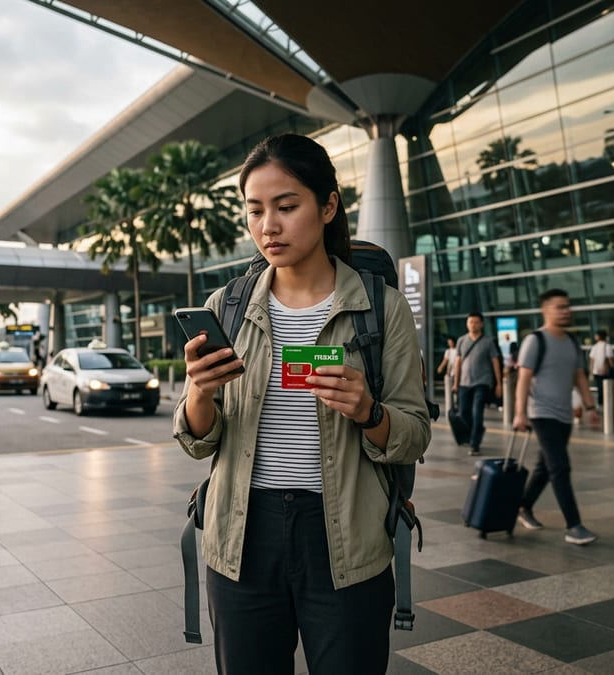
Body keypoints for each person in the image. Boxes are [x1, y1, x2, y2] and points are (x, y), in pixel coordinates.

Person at [173, 134, 431, 675]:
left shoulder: (380, 310)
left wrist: (369, 412)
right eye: (255, 210)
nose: (269, 225)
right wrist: (199, 392)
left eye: (287, 206)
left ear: (328, 204)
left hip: (344, 537)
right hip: (243, 533)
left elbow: (414, 433)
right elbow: (200, 441)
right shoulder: (229, 305)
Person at [514, 289, 598, 546]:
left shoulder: (572, 342)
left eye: (567, 306)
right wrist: (520, 413)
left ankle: (523, 506)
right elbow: (524, 378)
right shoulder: (535, 340)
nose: (566, 311)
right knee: (560, 467)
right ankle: (574, 525)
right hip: (542, 413)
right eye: (560, 307)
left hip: (564, 415)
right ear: (545, 310)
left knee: (545, 467)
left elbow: (580, 375)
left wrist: (590, 406)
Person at [453, 313, 502, 456]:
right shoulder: (461, 340)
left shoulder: (488, 342)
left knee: (477, 413)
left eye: (476, 322)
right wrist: (456, 383)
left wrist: (499, 383)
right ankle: (476, 431)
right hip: (464, 383)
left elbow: (495, 363)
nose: (473, 324)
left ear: (481, 324)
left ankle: (475, 444)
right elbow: (458, 362)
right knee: (464, 413)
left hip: (482, 383)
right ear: (467, 324)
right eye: (470, 322)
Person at [588, 329, 614, 408]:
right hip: (606, 371)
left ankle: (600, 403)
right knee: (607, 388)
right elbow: (610, 360)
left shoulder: (594, 347)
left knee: (599, 388)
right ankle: (606, 403)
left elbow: (592, 360)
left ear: (599, 336)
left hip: (596, 371)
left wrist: (591, 371)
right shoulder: (608, 346)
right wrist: (612, 368)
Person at [436, 336, 458, 414]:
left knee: (457, 390)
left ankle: (456, 405)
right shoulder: (448, 351)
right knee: (450, 390)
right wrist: (441, 367)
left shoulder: (458, 350)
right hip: (451, 373)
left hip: (458, 372)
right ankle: (452, 406)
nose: (450, 344)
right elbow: (445, 361)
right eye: (449, 343)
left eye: (451, 342)